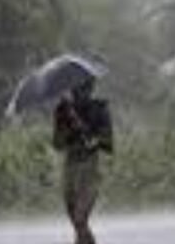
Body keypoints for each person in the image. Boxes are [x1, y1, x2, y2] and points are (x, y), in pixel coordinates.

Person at [52, 78, 113, 244]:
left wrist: (94, 139)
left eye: (84, 88)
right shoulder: (63, 110)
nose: (80, 92)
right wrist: (65, 124)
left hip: (90, 167)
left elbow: (107, 141)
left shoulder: (100, 109)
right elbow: (58, 144)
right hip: (70, 167)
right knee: (76, 220)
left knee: (80, 219)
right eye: (76, 89)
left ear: (91, 88)